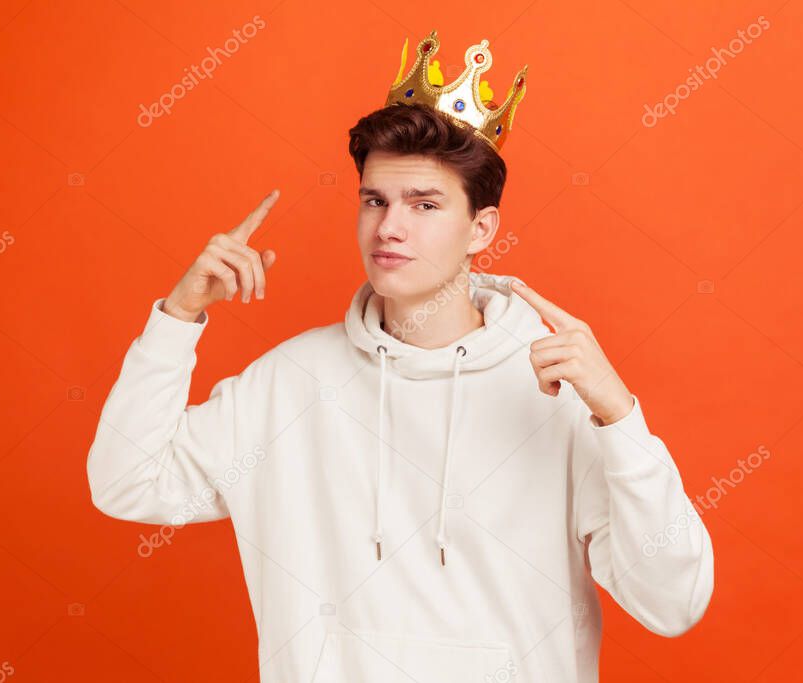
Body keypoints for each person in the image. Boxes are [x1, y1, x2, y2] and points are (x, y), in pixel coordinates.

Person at [86, 30, 713, 683]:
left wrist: (621, 420)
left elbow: (673, 602)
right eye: (375, 201)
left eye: (426, 205)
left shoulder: (556, 388)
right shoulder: (290, 382)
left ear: (482, 229)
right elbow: (127, 481)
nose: (390, 227)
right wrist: (177, 318)